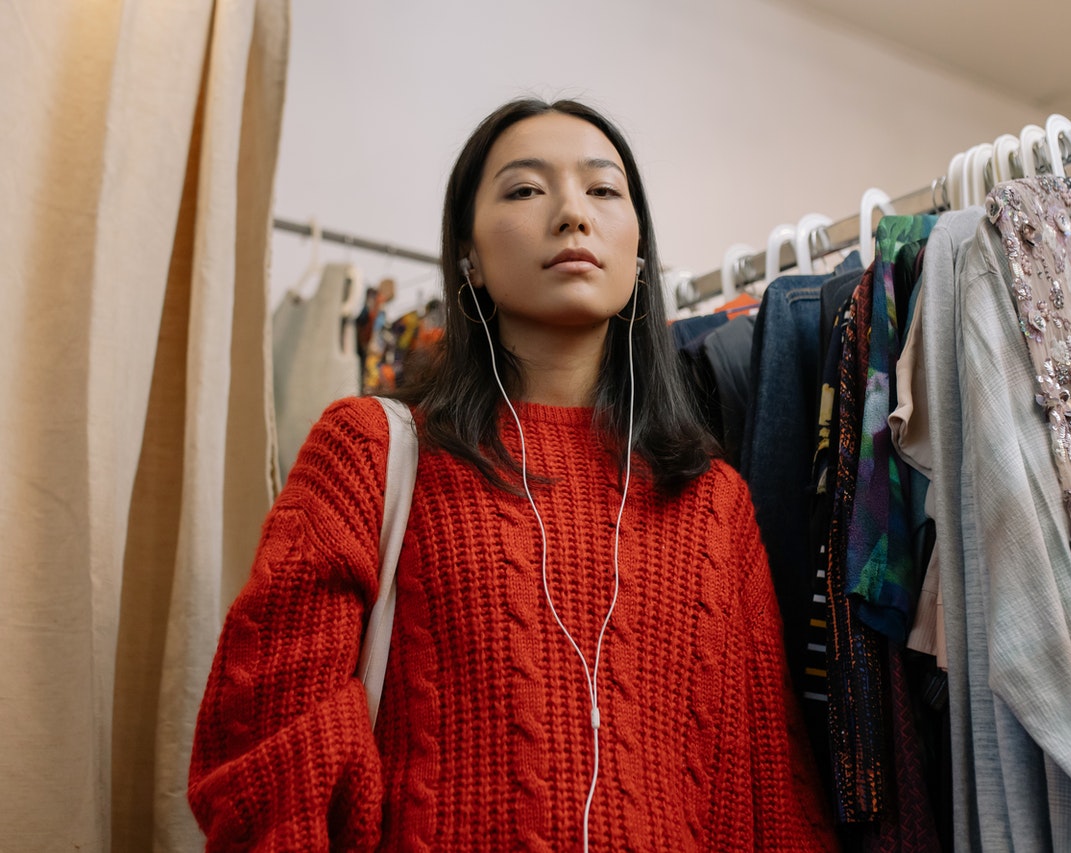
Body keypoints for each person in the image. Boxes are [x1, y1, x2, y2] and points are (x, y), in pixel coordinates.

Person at [188, 98, 835, 851]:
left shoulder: (712, 501)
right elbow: (268, 748)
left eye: (602, 190)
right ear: (468, 255)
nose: (571, 214)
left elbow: (768, 797)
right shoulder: (372, 449)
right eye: (526, 189)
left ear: (637, 248)